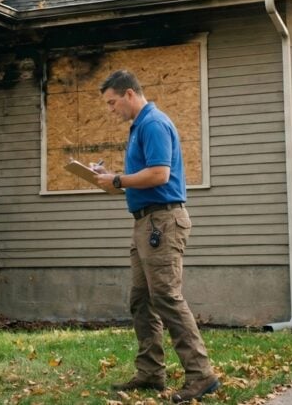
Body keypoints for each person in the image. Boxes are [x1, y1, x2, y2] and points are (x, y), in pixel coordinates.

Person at [94, 70, 219, 405]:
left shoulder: (152, 123)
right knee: (141, 299)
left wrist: (118, 180)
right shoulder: (139, 127)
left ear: (130, 94)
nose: (111, 110)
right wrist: (111, 179)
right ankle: (151, 371)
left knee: (166, 296)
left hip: (162, 222)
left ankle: (201, 373)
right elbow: (142, 175)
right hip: (145, 223)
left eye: (112, 102)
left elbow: (160, 174)